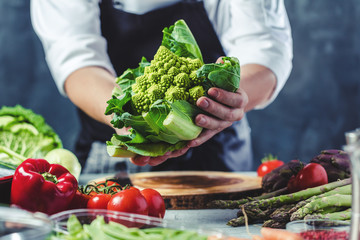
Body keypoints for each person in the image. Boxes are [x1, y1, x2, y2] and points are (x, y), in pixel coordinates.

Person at [30, 0, 293, 173]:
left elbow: (265, 53)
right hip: (117, 152)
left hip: (217, 145)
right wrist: (130, 120)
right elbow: (76, 60)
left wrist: (229, 99)